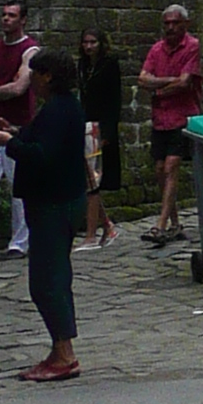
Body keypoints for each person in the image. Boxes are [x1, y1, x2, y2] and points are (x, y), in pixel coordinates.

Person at [0, 47, 87, 382]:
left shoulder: (60, 111)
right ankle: (59, 349)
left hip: (54, 206)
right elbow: (41, 140)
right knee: (50, 278)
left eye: (34, 73)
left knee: (49, 281)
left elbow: (44, 156)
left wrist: (8, 144)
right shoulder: (59, 109)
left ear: (47, 76)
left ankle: (65, 354)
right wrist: (14, 132)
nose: (30, 80)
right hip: (55, 204)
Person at [138, 2, 203, 246]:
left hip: (183, 117)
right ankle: (176, 224)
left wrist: (158, 89)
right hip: (161, 119)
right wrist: (168, 82)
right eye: (167, 23)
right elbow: (143, 78)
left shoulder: (193, 47)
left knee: (171, 167)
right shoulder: (157, 50)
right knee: (159, 170)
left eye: (175, 23)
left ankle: (161, 225)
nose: (170, 27)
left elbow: (185, 83)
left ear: (185, 24)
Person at [0, 0, 38, 257]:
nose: (6, 19)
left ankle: (20, 243)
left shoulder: (30, 50)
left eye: (12, 15)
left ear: (23, 19)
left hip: (18, 126)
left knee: (20, 188)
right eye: (4, 14)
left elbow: (20, 88)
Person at [78, 28, 122, 245]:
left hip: (100, 127)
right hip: (86, 124)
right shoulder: (83, 66)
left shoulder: (110, 65)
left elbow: (114, 100)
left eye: (93, 42)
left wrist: (108, 132)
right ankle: (106, 225)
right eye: (85, 42)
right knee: (87, 178)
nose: (88, 47)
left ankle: (91, 235)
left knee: (93, 180)